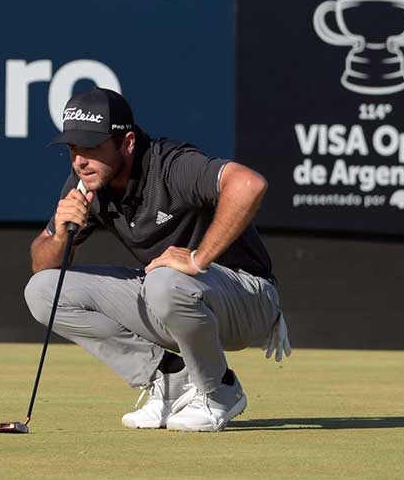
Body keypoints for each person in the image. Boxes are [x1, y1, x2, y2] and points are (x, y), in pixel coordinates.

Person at [24, 88, 291, 432]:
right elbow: (41, 266)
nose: (80, 159)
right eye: (73, 148)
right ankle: (169, 378)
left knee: (163, 281)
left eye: (92, 147)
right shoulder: (85, 182)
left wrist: (198, 258)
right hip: (172, 294)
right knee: (43, 290)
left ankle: (219, 390)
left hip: (248, 297)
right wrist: (59, 236)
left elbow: (249, 184)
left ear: (128, 142)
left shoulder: (171, 165)